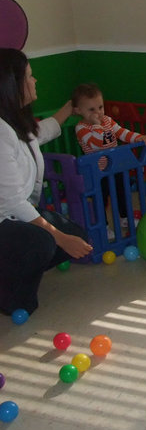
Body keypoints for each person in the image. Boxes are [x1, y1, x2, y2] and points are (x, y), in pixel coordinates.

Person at [0, 48, 92, 317]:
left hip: (15, 215)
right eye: (29, 76)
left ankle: (15, 268)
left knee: (77, 236)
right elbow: (13, 201)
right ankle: (10, 295)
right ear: (11, 85)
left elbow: (41, 132)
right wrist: (59, 236)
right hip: (6, 217)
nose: (35, 80)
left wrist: (72, 105)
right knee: (43, 243)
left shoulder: (14, 121)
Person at [72, 83, 146, 231]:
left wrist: (139, 137)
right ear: (78, 110)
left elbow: (122, 132)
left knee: (122, 193)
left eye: (100, 107)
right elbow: (97, 144)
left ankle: (125, 218)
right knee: (100, 199)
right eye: (91, 109)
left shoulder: (107, 121)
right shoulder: (81, 128)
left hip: (116, 167)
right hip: (97, 172)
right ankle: (104, 226)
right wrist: (97, 125)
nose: (98, 113)